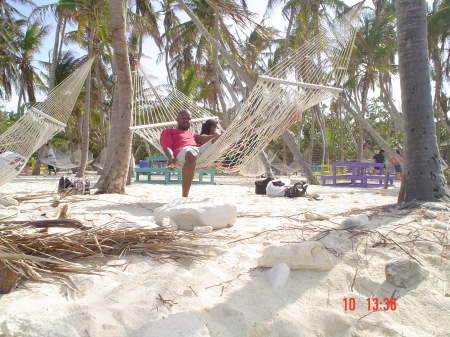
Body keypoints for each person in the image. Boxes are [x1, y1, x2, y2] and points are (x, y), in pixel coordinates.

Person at [160, 110, 220, 197]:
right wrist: (170, 157)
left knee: (220, 139)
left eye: (188, 119)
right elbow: (166, 147)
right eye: (183, 118)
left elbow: (206, 139)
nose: (186, 120)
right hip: (182, 153)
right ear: (177, 119)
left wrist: (216, 134)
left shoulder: (193, 134)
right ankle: (185, 196)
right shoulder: (169, 131)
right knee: (192, 154)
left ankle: (243, 121)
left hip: (198, 150)